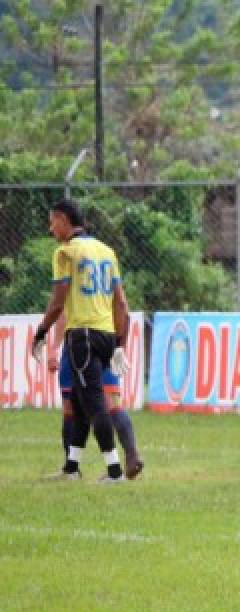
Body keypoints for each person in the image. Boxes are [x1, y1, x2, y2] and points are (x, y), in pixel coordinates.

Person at [31, 199, 131, 483]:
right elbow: (121, 303)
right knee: (76, 397)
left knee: (94, 404)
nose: (51, 229)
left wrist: (40, 332)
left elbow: (57, 302)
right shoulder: (106, 251)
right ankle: (72, 468)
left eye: (53, 222)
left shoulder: (65, 253)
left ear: (63, 220)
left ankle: (114, 471)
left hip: (82, 335)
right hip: (105, 333)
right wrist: (120, 344)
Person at [46, 316, 143, 480]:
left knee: (72, 405)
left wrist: (53, 346)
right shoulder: (110, 289)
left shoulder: (73, 290)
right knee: (108, 402)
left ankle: (110, 471)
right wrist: (119, 345)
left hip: (79, 342)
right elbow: (123, 312)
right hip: (106, 340)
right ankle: (130, 455)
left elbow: (62, 311)